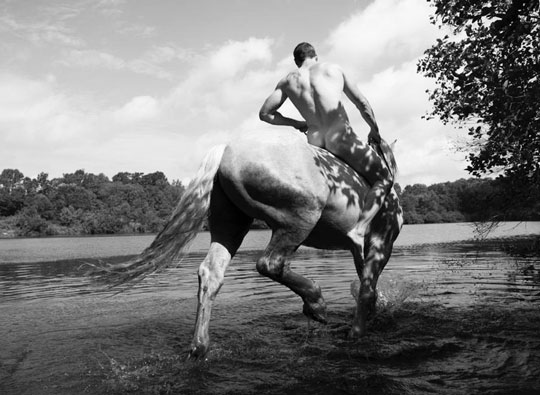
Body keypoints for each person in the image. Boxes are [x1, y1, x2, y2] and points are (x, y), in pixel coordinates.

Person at [259, 42, 395, 243]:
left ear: (297, 61)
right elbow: (362, 103)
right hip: (341, 138)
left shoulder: (287, 81)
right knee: (384, 178)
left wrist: (297, 123)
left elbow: (265, 114)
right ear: (315, 56)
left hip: (313, 142)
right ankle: (360, 229)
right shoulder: (333, 69)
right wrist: (374, 130)